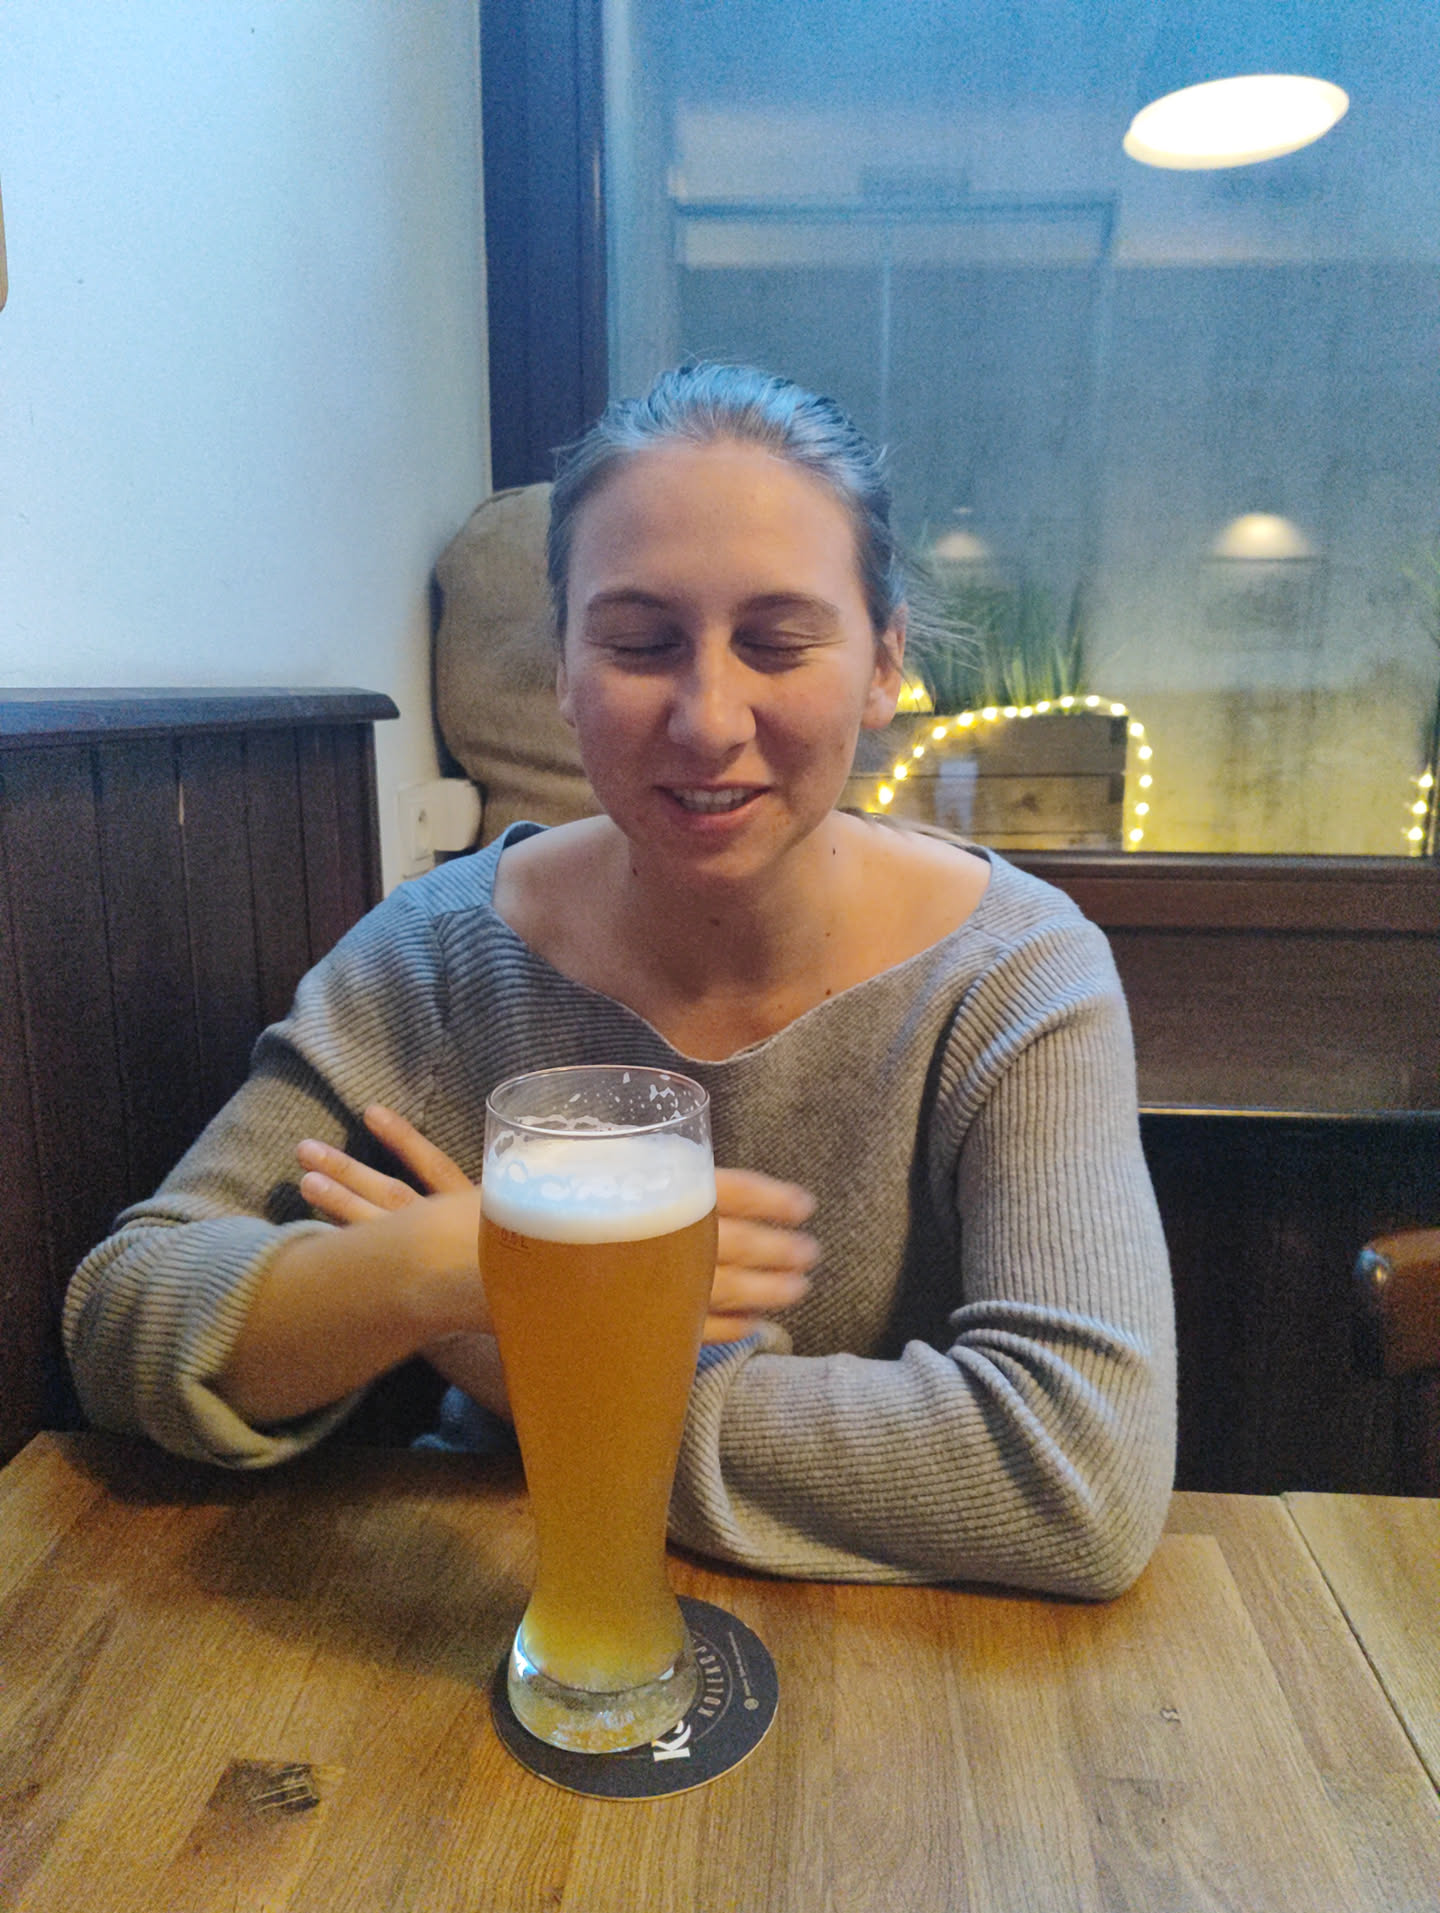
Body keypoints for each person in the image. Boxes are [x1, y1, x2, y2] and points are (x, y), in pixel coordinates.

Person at [64, 363, 1175, 1599]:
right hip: (490, 1610)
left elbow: (1079, 1478)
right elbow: (126, 1321)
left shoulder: (1015, 972)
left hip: (896, 1664)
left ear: (883, 666)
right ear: (561, 669)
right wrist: (443, 1270)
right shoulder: (439, 952)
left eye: (778, 642)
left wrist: (522, 1364)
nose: (707, 720)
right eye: (640, 644)